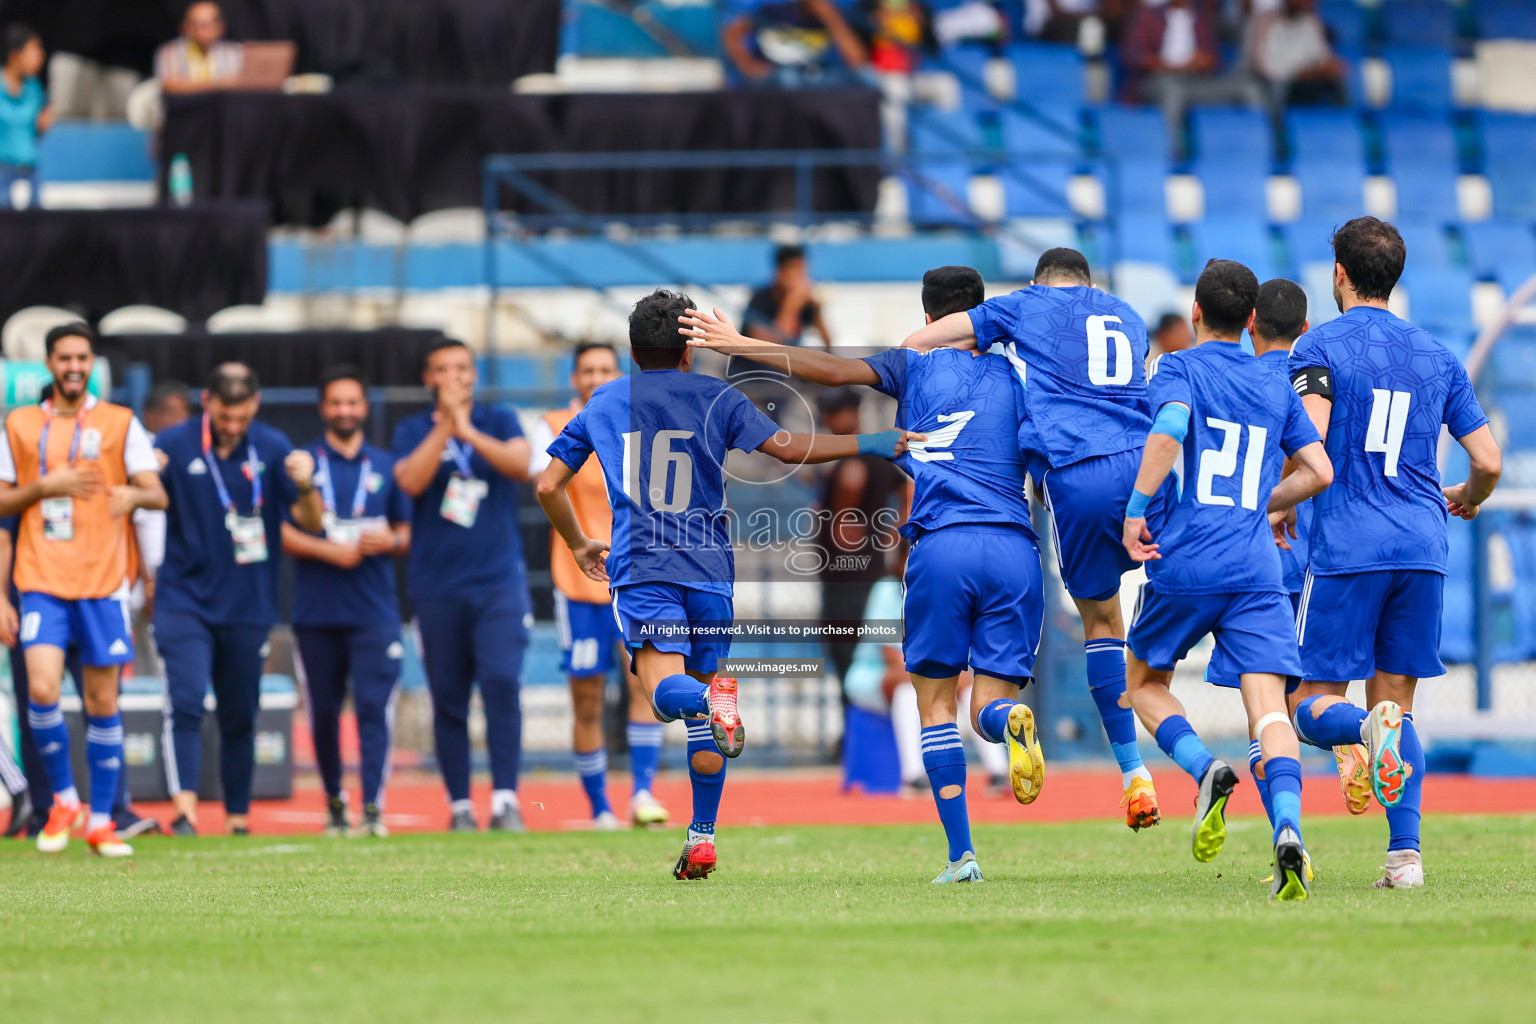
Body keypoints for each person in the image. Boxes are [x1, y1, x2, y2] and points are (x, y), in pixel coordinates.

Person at [539, 289, 918, 880]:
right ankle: (703, 837)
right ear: (689, 351)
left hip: (645, 566)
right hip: (711, 573)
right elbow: (787, 447)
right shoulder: (719, 395)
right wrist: (872, 441)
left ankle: (709, 706)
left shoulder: (605, 402)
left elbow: (546, 486)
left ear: (633, 351)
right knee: (707, 708)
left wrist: (579, 542)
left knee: (664, 692)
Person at [682, 267, 1045, 884]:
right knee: (990, 697)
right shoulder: (1020, 374)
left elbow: (831, 369)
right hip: (1015, 545)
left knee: (931, 700)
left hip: (943, 545)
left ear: (930, 319)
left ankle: (963, 857)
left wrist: (741, 343)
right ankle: (1004, 723)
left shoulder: (914, 361)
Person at [901, 248, 1163, 832]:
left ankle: (1131, 775)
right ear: (1089, 284)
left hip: (1060, 485)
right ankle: (1153, 758)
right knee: (1142, 612)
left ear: (1038, 283)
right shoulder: (1126, 315)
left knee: (1095, 624)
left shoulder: (1018, 314)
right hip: (1142, 469)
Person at [1286, 217, 1502, 889]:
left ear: (1340, 275)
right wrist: (1466, 493)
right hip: (1420, 543)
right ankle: (1404, 859)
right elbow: (1488, 460)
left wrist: (1283, 497)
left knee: (1310, 706)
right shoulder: (1438, 355)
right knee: (1398, 708)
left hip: (1350, 544)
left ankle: (1364, 731)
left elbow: (1314, 438)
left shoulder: (1316, 345)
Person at [1118, 259, 1334, 901]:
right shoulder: (1275, 382)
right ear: (1249, 320)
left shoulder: (1178, 366)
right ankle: (1289, 830)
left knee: (1144, 683)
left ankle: (1205, 768)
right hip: (1256, 567)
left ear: (1193, 314)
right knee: (1271, 710)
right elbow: (1318, 469)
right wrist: (1265, 503)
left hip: (1186, 559)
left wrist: (1134, 512)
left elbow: (1170, 429)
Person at [0, 323, 167, 857]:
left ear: (92, 362)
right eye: (64, 357)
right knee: (43, 689)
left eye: (83, 357)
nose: (74, 366)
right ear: (48, 363)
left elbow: (158, 493)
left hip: (102, 582)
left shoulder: (120, 422)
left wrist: (131, 495)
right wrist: (43, 488)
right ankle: (65, 800)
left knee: (102, 700)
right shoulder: (20, 424)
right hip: (41, 578)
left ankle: (100, 821)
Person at [155, 363, 322, 836]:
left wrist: (307, 483)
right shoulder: (172, 444)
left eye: (241, 417)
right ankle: (185, 812)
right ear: (206, 401)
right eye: (224, 417)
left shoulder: (272, 446)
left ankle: (237, 817)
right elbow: (144, 504)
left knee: (240, 712)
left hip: (249, 601)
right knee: (185, 701)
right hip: (182, 598)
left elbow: (311, 522)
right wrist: (144, 476)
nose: (232, 427)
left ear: (256, 404)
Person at [527, 342, 671, 830]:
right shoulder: (550, 427)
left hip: (638, 578)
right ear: (574, 378)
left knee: (645, 686)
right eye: (587, 369)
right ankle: (600, 809)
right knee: (586, 697)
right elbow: (541, 482)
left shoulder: (640, 422)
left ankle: (644, 795)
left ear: (619, 372)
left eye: (605, 368)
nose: (595, 376)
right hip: (579, 582)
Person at [1203, 278, 1321, 858]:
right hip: (1312, 552)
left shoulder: (1233, 378)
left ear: (1250, 324)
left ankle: (1285, 823)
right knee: (1289, 701)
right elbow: (1320, 457)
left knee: (1264, 706)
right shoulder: (1312, 377)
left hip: (1247, 549)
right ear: (1304, 329)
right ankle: (1360, 733)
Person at [393, 339, 532, 832]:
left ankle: (504, 800)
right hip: (437, 584)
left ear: (473, 375)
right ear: (429, 379)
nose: (453, 376)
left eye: (461, 368)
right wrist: (447, 426)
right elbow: (409, 480)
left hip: (497, 581)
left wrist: (467, 429)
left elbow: (520, 465)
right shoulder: (412, 428)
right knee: (447, 695)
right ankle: (458, 805)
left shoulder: (499, 419)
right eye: (442, 369)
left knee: (500, 683)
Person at [282, 366, 410, 838]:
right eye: (336, 403)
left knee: (375, 708)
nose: (344, 411)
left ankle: (373, 806)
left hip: (374, 610)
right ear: (323, 408)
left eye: (352, 402)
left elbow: (404, 531)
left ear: (364, 407)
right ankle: (334, 801)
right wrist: (327, 549)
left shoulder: (385, 464)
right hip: (316, 611)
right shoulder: (303, 465)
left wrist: (390, 542)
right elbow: (291, 530)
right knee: (323, 712)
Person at [814, 387, 905, 701]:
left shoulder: (852, 458)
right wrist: (898, 531)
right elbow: (906, 487)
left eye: (832, 410)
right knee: (862, 657)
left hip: (847, 577)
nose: (826, 418)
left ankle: (854, 737)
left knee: (848, 659)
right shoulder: (874, 453)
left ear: (852, 412)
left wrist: (842, 524)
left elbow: (852, 481)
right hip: (869, 573)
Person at [1120, 0, 1264, 158]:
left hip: (1196, 81)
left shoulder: (1202, 17)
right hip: (1158, 80)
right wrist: (1173, 66)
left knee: (1248, 88)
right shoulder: (1148, 15)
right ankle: (1175, 156)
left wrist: (1203, 61)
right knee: (1173, 91)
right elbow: (1133, 56)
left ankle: (1259, 150)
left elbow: (1214, 61)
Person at [722, 0, 870, 85]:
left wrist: (829, 15)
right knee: (788, 78)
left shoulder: (836, 13)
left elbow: (857, 61)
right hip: (777, 79)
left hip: (819, 80)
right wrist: (746, 64)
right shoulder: (773, 9)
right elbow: (733, 31)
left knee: (867, 78)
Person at [1246, 0, 1346, 108]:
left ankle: (1342, 119)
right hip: (1279, 85)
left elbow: (1323, 58)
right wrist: (1298, 73)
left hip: (1309, 79)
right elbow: (1264, 68)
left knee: (1336, 80)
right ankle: (1277, 123)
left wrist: (1327, 68)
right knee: (1277, 88)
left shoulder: (1311, 24)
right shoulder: (1266, 22)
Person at [0, 24, 53, 208]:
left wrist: (41, 127)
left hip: (30, 172)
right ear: (15, 55)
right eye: (34, 48)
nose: (41, 55)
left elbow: (32, 134)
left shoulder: (34, 88)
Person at [743, 245, 834, 350]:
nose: (798, 275)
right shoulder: (760, 299)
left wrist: (816, 310)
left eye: (802, 268)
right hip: (752, 364)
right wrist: (791, 306)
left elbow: (828, 344)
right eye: (793, 268)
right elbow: (767, 348)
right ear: (779, 271)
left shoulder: (803, 302)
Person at [155, 2, 244, 95]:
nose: (204, 30)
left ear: (220, 26)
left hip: (223, 106)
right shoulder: (169, 51)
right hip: (185, 106)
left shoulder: (234, 51)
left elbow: (239, 83)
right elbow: (169, 86)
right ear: (185, 26)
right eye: (196, 24)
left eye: (210, 23)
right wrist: (217, 84)